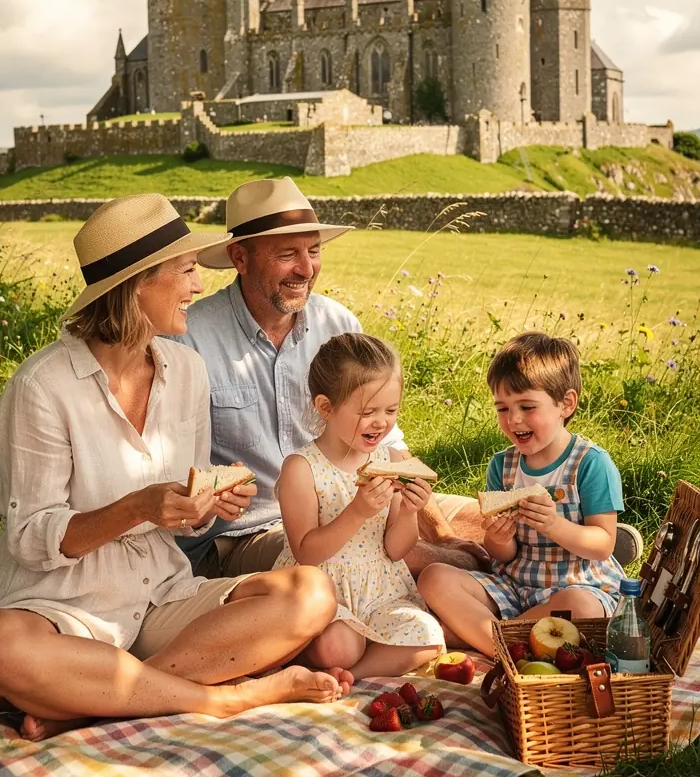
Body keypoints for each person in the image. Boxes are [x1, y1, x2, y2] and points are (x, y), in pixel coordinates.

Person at [0, 195, 351, 740]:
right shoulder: (42, 386)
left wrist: (205, 506)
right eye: (186, 271)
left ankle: (89, 703)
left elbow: (185, 513)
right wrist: (138, 506)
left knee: (311, 594)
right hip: (57, 605)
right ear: (138, 283)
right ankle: (223, 699)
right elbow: (28, 537)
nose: (196, 286)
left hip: (157, 595)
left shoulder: (185, 368)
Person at [176, 176, 492, 581]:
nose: (306, 269)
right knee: (408, 558)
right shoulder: (192, 339)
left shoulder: (337, 323)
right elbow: (175, 472)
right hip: (256, 532)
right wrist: (441, 552)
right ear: (240, 257)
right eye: (288, 253)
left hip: (353, 496)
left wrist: (444, 534)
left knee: (490, 526)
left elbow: (388, 444)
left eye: (314, 251)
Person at [419, 332, 626, 655]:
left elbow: (603, 545)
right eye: (503, 408)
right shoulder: (503, 466)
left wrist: (554, 525)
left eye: (527, 407)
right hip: (515, 587)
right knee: (434, 578)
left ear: (565, 404)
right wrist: (500, 538)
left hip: (576, 586)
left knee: (580, 606)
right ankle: (518, 643)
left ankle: (491, 640)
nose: (514, 419)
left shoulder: (590, 463)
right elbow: (504, 555)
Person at [275, 333, 445, 677]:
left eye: (391, 410)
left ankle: (357, 674)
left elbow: (396, 550)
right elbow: (306, 552)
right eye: (368, 412)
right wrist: (357, 513)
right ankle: (336, 657)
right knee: (339, 647)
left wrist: (410, 511)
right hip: (323, 592)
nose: (381, 422)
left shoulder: (392, 459)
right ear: (326, 407)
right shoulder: (302, 468)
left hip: (380, 589)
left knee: (427, 636)